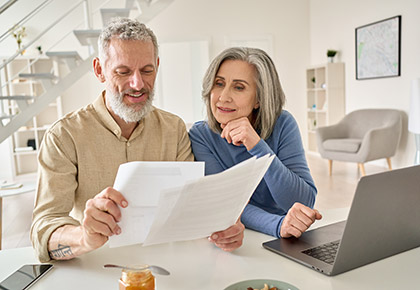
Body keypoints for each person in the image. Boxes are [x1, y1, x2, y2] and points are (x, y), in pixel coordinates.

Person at [30, 18, 244, 263]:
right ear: (99, 70)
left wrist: (223, 226)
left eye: (147, 70)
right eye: (123, 72)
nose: (138, 84)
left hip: (168, 267)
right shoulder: (63, 136)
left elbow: (192, 207)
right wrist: (83, 237)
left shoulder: (174, 129)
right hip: (97, 269)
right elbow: (43, 230)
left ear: (158, 66)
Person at [189, 47, 322, 240]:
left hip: (284, 236)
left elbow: (303, 201)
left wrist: (258, 147)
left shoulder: (283, 124)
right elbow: (226, 202)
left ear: (259, 98)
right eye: (219, 84)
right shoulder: (201, 135)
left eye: (239, 87)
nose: (223, 97)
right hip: (238, 236)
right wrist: (277, 225)